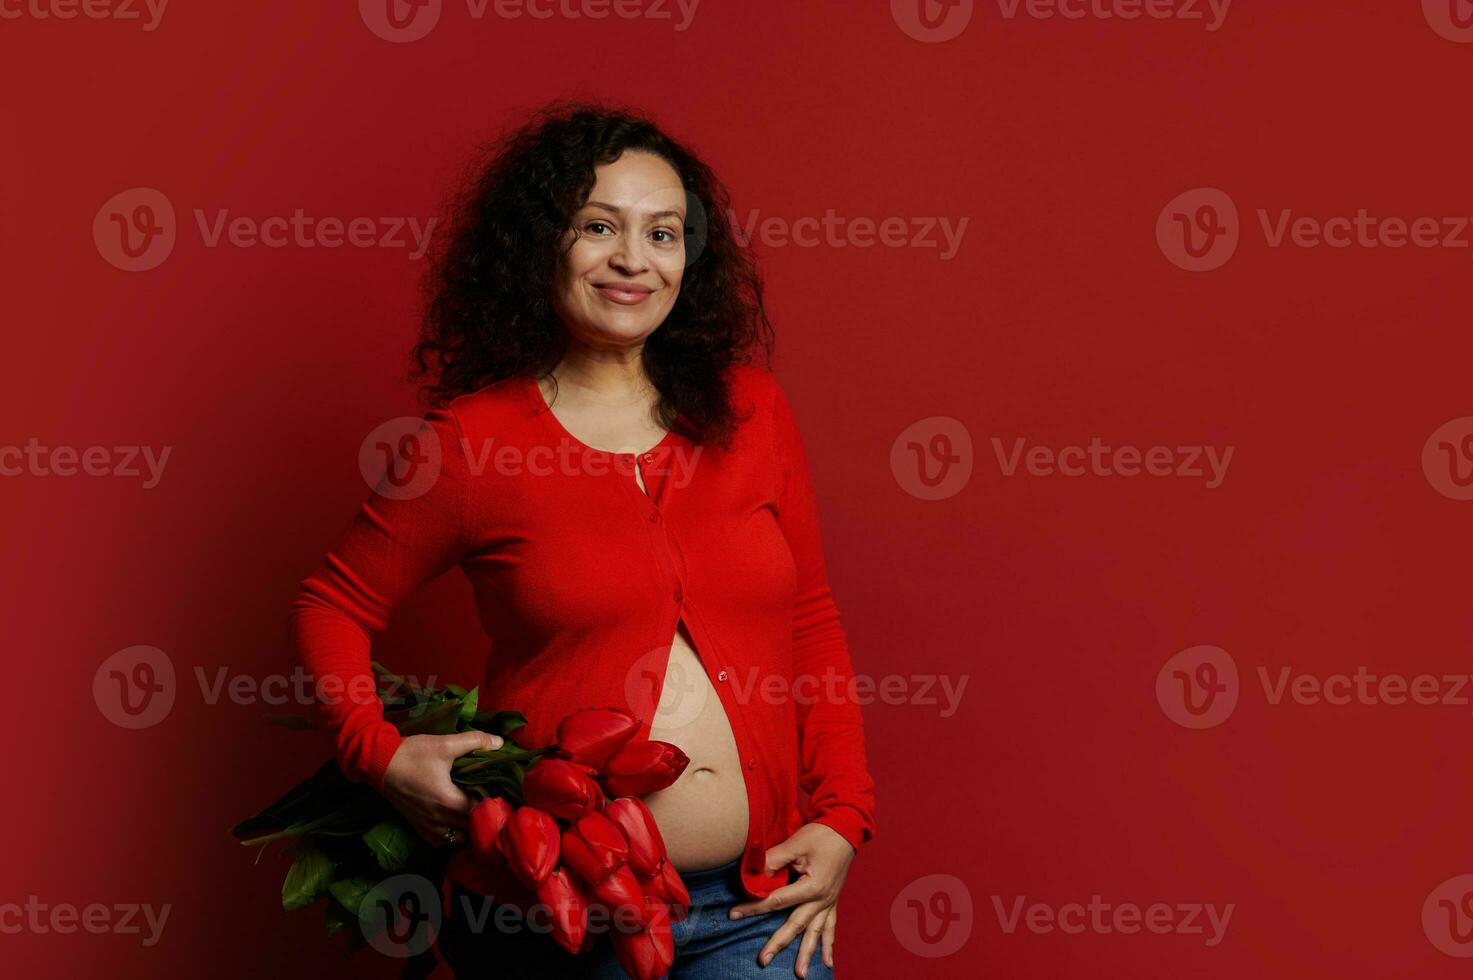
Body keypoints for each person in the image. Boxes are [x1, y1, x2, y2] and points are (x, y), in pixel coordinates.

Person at [289, 100, 877, 978]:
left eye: (664, 233)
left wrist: (841, 817)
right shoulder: (469, 446)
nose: (633, 260)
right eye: (598, 227)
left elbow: (811, 622)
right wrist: (381, 755)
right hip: (548, 915)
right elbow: (331, 602)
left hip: (747, 901)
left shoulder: (752, 412)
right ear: (539, 247)